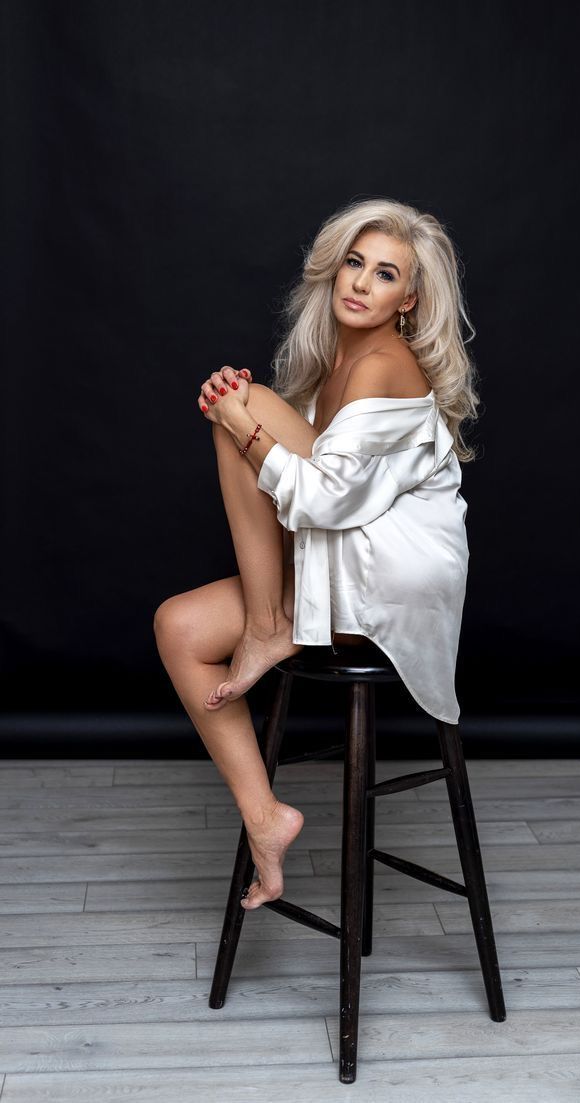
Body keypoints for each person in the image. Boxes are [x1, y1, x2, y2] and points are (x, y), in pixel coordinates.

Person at [153, 197, 481, 910]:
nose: (361, 283)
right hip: (346, 559)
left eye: (385, 273)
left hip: (392, 579)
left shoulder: (385, 364)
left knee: (241, 403)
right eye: (354, 264)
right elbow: (309, 495)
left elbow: (325, 501)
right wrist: (241, 417)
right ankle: (266, 816)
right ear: (333, 271)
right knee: (178, 626)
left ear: (410, 297)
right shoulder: (336, 361)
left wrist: (244, 425)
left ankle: (270, 625)